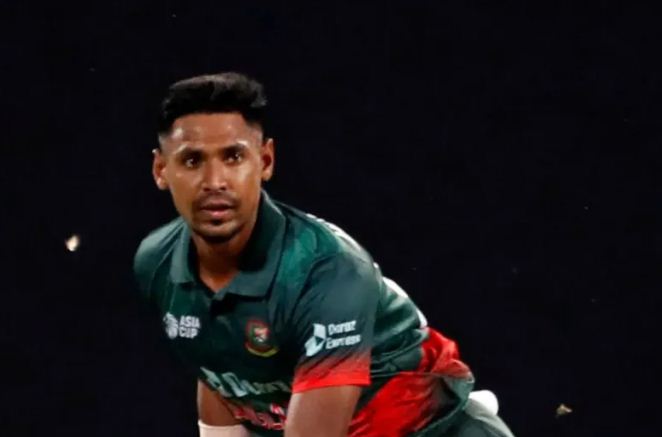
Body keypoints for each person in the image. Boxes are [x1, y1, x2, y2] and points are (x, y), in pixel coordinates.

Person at [133, 72, 515, 437]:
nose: (214, 181)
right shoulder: (157, 262)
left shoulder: (326, 271)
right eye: (192, 160)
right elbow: (217, 367)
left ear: (265, 162)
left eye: (233, 157)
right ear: (161, 169)